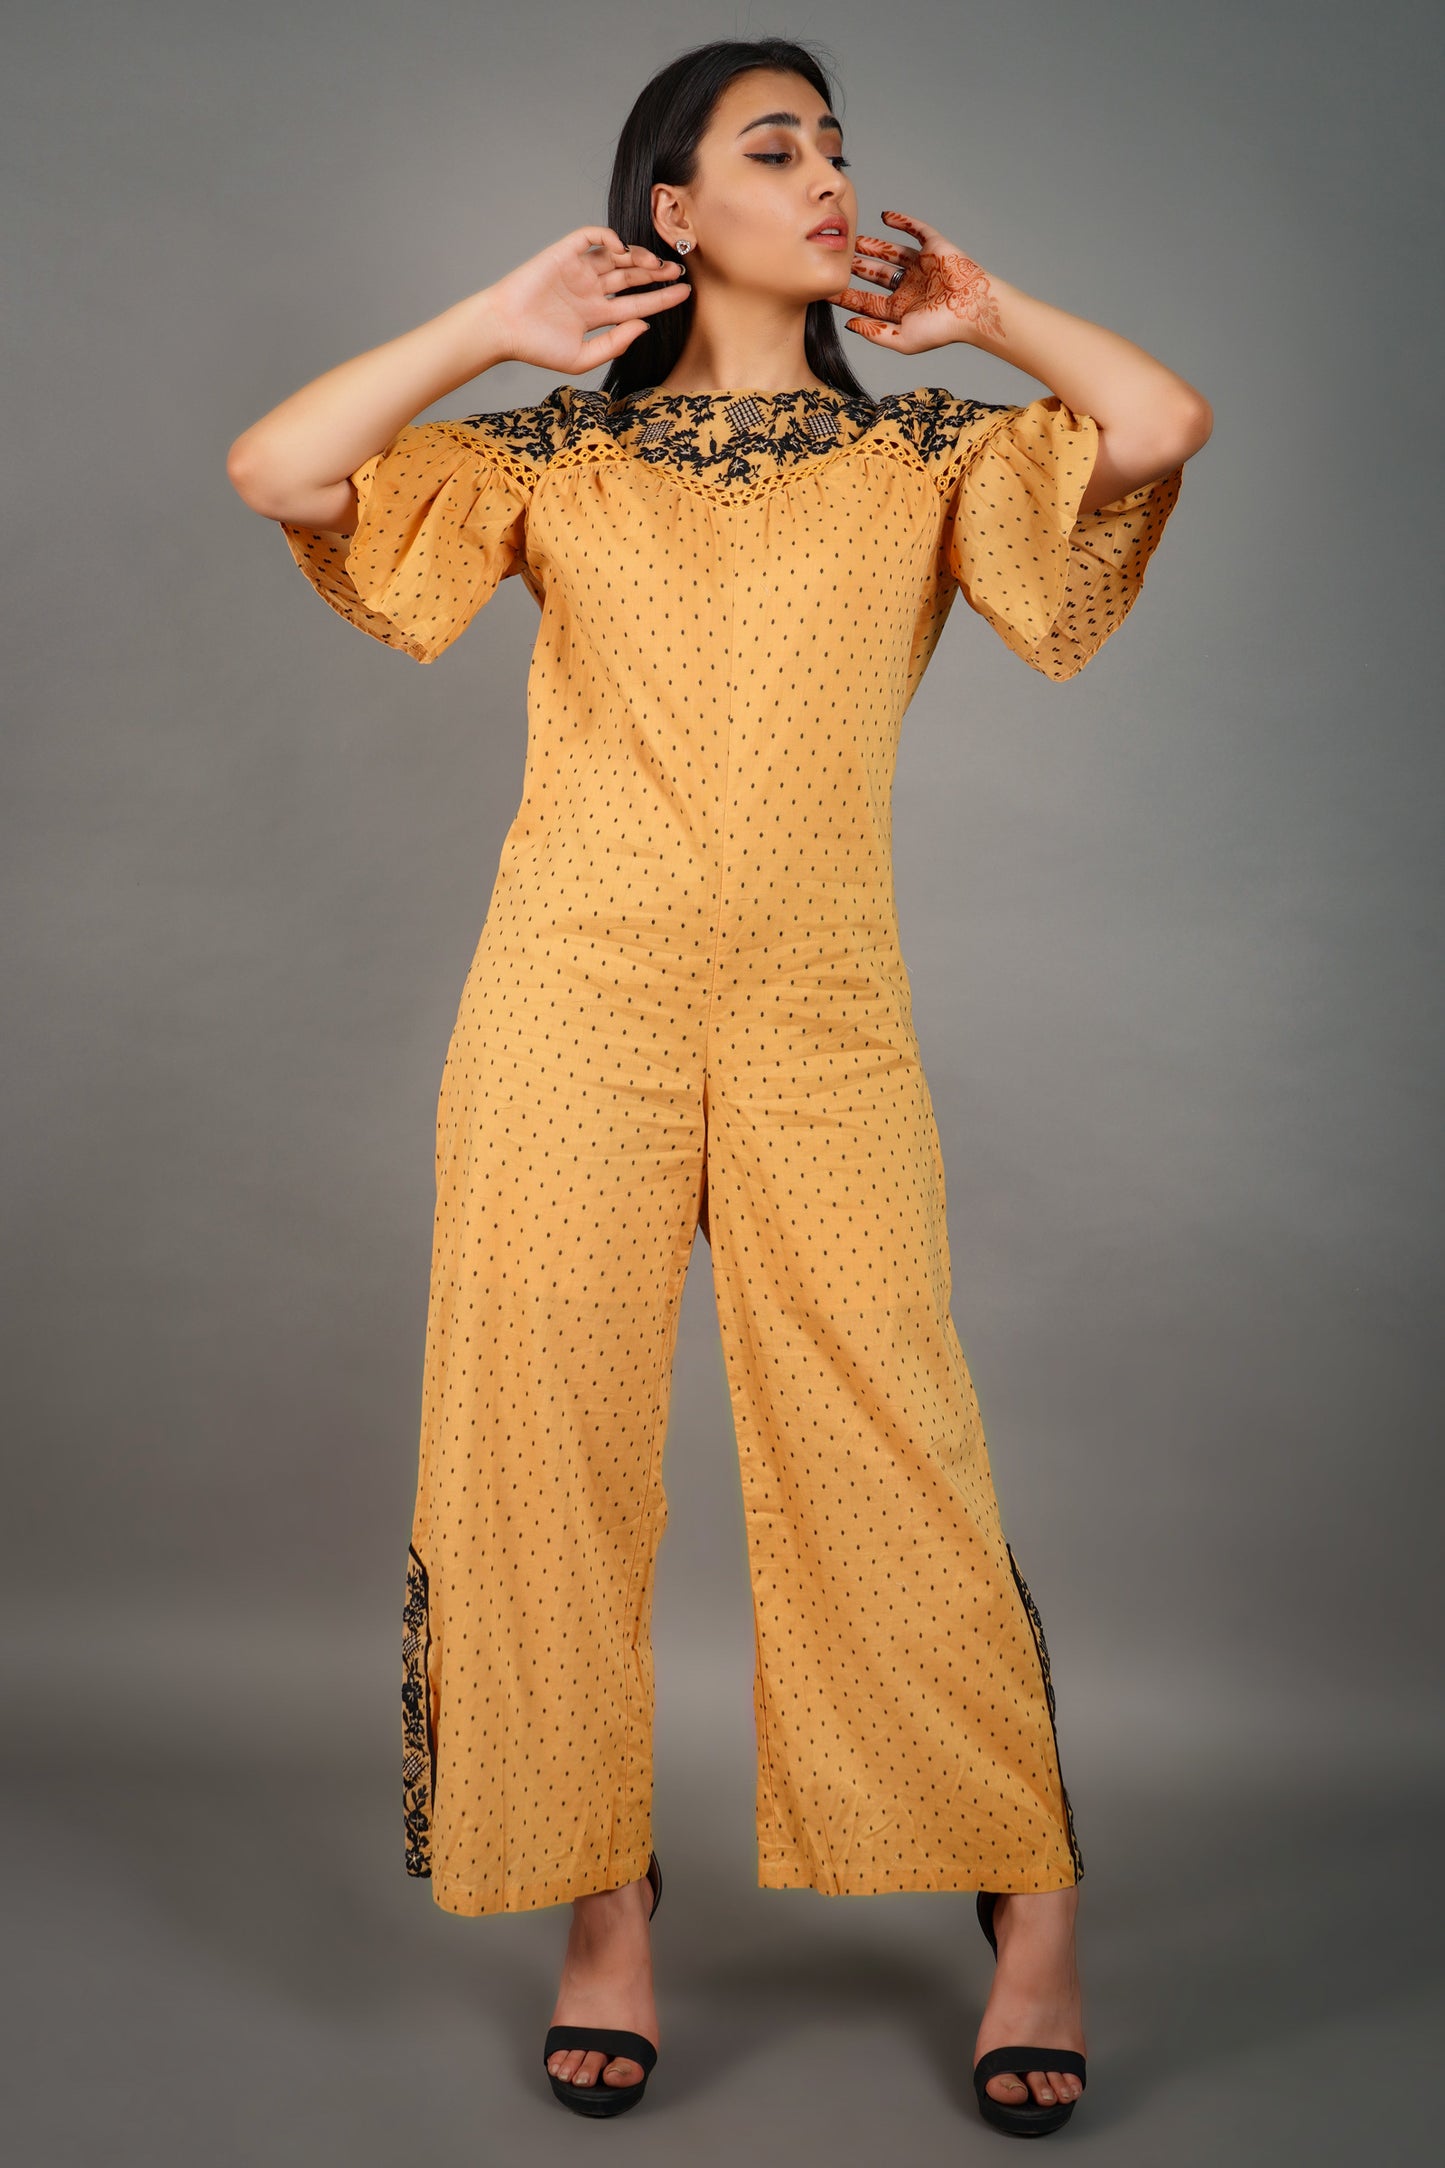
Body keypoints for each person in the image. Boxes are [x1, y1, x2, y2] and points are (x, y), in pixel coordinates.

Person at [226, 34, 1209, 2137]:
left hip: (818, 1012)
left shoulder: (927, 450)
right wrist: (492, 325)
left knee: (892, 1441)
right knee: (536, 1449)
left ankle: (1030, 1908)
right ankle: (605, 1910)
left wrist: (990, 314)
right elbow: (281, 472)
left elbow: (1155, 426)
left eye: (839, 145)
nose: (830, 175)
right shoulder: (550, 460)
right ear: (672, 211)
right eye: (778, 148)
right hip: (563, 1001)